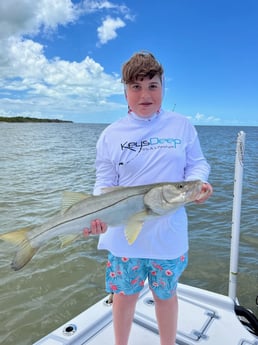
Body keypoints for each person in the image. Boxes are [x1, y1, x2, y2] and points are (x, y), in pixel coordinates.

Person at [84, 51, 213, 345]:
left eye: (153, 86)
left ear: (163, 87)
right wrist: (97, 217)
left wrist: (199, 184)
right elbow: (104, 182)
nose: (145, 94)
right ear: (125, 91)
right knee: (124, 297)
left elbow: (197, 164)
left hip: (168, 239)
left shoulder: (181, 126)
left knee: (166, 296)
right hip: (123, 239)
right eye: (136, 87)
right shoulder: (110, 135)